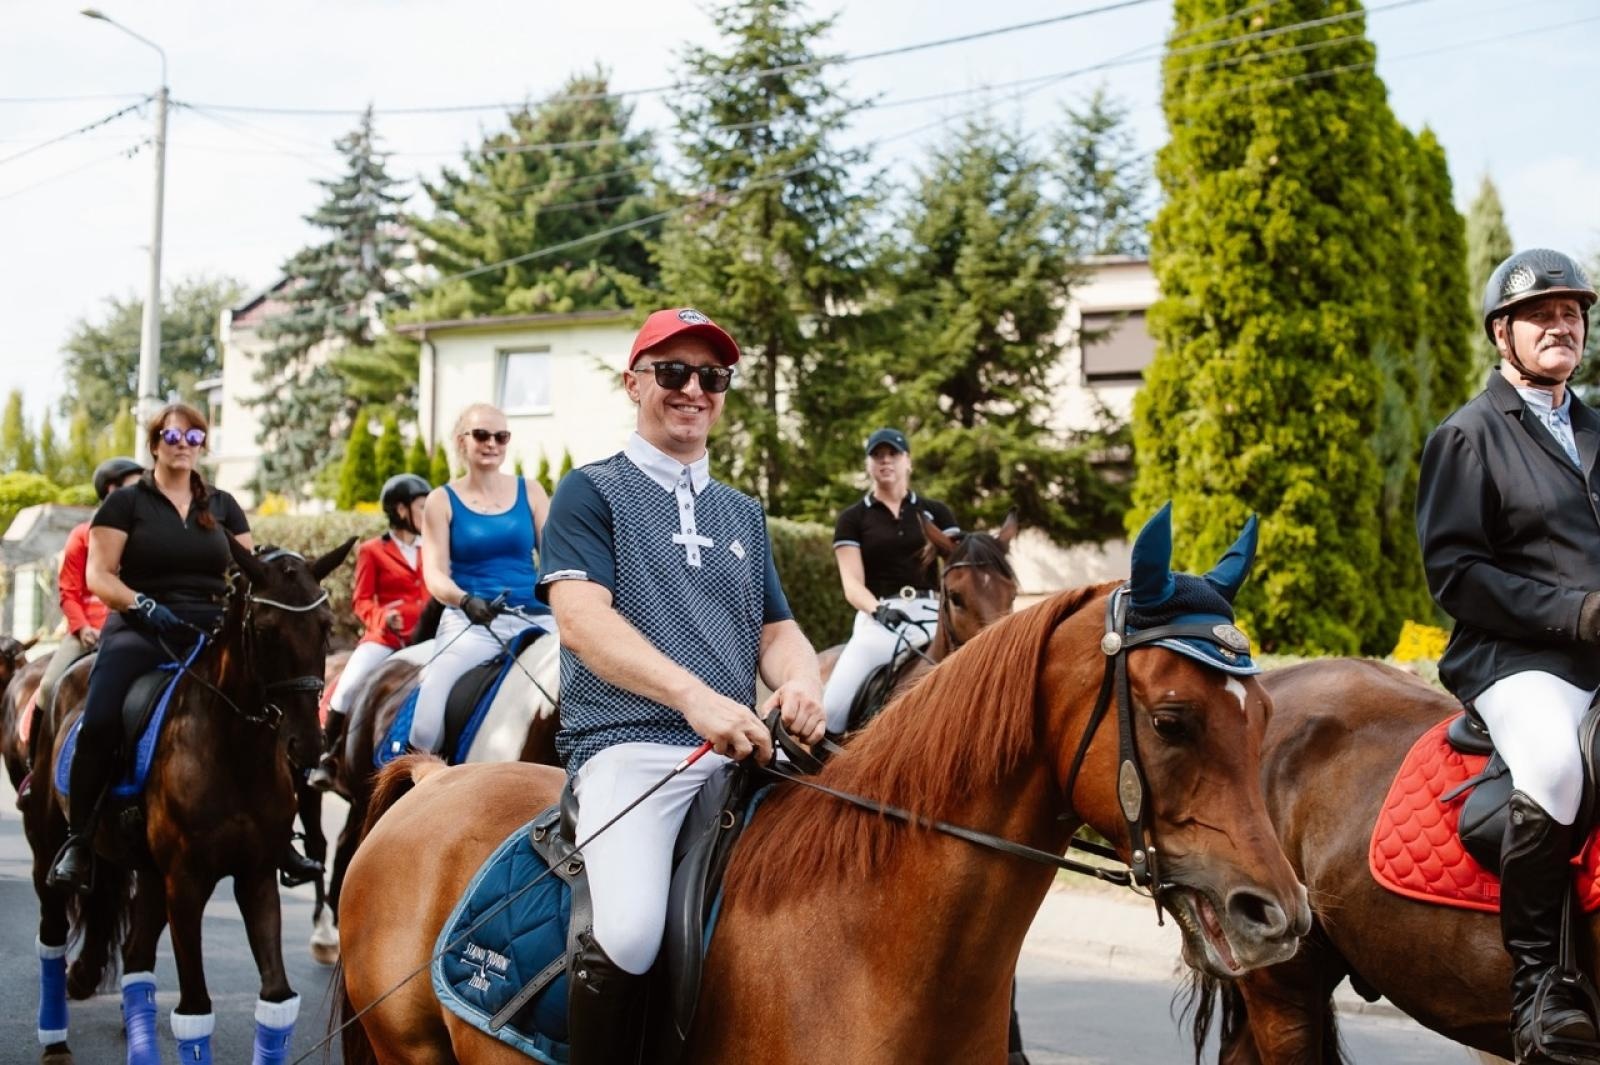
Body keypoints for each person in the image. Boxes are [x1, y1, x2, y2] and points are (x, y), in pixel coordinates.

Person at [537, 307, 825, 1064]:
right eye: (673, 372)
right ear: (634, 383)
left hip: (741, 755)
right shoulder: (589, 491)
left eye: (712, 376)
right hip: (631, 748)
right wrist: (693, 696)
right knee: (629, 929)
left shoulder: (744, 512)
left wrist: (800, 683)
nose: (693, 388)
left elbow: (777, 632)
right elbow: (581, 621)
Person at [1417, 248, 1600, 1062]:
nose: (1562, 324)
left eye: (1572, 312)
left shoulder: (1597, 425)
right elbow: (1456, 574)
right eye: (1541, 315)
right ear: (1503, 335)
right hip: (1517, 658)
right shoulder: (1466, 436)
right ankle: (1539, 989)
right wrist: (1576, 613)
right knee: (1556, 765)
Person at [46, 403, 317, 893]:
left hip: (210, 627)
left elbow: (244, 570)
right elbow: (100, 576)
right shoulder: (125, 505)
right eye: (173, 436)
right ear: (154, 444)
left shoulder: (224, 505)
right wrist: (143, 605)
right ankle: (80, 840)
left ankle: (282, 839)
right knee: (104, 715)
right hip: (140, 627)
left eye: (194, 437)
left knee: (272, 710)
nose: (183, 444)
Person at [409, 404, 554, 755]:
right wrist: (464, 600)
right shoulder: (440, 500)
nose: (493, 443)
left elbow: (555, 559)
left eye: (501, 437)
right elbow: (434, 574)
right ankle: (419, 791)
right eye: (482, 435)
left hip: (536, 619)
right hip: (471, 623)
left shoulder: (531, 491)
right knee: (426, 720)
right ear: (462, 442)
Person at [820, 426, 959, 734]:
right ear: (868, 465)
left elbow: (958, 566)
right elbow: (852, 584)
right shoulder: (853, 518)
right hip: (881, 620)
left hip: (935, 616)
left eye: (893, 454)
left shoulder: (937, 511)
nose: (886, 461)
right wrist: (879, 611)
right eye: (877, 455)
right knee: (830, 709)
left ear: (907, 461)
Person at [308, 472, 432, 790]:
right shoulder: (373, 550)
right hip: (386, 638)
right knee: (347, 688)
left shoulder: (431, 548)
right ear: (401, 510)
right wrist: (381, 617)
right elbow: (361, 600)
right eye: (421, 507)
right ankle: (328, 755)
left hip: (428, 637)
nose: (428, 514)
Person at [34, 457, 144, 722]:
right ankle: (36, 761)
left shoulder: (144, 537)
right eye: (136, 486)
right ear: (112, 489)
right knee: (48, 688)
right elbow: (69, 591)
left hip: (130, 631)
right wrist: (83, 628)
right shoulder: (82, 535)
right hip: (87, 633)